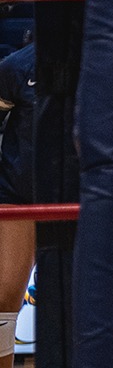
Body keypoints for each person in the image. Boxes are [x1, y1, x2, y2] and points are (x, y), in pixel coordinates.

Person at [0, 47, 35, 368]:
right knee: (2, 302)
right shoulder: (17, 66)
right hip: (18, 197)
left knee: (89, 304)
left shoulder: (111, 64)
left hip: (88, 199)